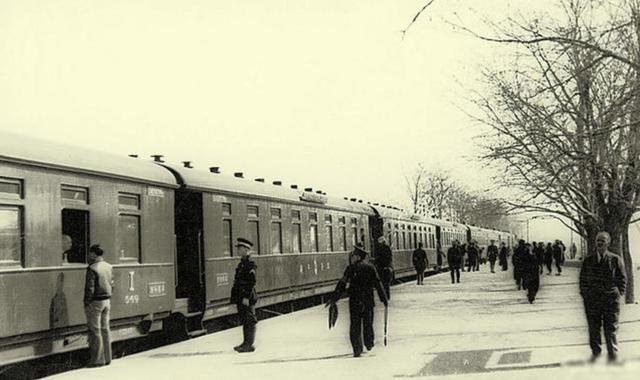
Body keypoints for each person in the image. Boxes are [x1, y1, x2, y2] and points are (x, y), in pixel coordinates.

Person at [329, 243, 388, 357]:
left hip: (355, 301)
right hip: (368, 301)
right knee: (368, 323)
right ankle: (369, 343)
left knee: (355, 326)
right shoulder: (370, 267)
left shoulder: (350, 269)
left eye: (354, 255)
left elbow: (342, 283)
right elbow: (378, 284)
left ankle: (357, 349)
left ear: (358, 256)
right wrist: (384, 299)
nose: (352, 257)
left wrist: (334, 298)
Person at [579, 232, 626, 363]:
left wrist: (618, 294)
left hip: (610, 300)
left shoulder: (615, 259)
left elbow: (622, 279)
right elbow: (582, 280)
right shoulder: (588, 261)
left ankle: (612, 353)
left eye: (602, 241)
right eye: (597, 241)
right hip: (592, 300)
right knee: (594, 327)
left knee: (611, 327)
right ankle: (596, 352)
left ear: (608, 243)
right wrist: (585, 295)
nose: (599, 243)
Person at [84, 244, 113, 367]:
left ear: (94, 254)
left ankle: (97, 360)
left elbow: (90, 288)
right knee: (105, 329)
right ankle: (107, 358)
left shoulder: (92, 268)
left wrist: (87, 302)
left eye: (90, 253)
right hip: (107, 301)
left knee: (95, 331)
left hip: (95, 302)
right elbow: (113, 284)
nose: (89, 255)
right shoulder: (108, 266)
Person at [230, 238, 258, 353]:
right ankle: (245, 343)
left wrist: (246, 296)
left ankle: (249, 345)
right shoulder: (243, 263)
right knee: (245, 319)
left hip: (246, 297)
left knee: (249, 320)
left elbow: (251, 282)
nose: (238, 250)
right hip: (241, 296)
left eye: (240, 248)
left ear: (246, 249)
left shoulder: (250, 264)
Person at [374, 236, 393, 301]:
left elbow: (381, 258)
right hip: (385, 268)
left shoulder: (383, 248)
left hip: (383, 268)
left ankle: (385, 297)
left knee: (383, 283)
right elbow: (389, 258)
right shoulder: (387, 248)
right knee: (386, 283)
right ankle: (386, 296)